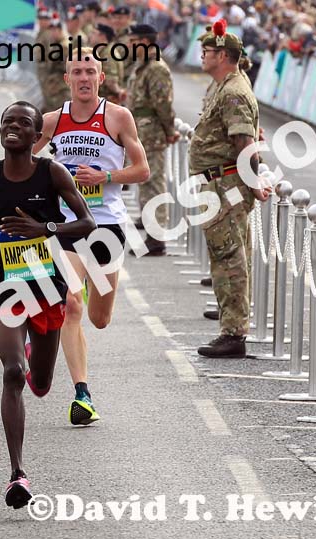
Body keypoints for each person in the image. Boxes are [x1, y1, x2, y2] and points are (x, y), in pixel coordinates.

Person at [0, 101, 96, 508]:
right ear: (0, 130)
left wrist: (44, 227)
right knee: (13, 373)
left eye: (23, 123)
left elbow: (86, 222)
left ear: (34, 135)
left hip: (46, 286)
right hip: (4, 284)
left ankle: (35, 358)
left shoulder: (52, 173)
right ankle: (17, 474)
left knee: (40, 384)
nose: (13, 127)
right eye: (7, 121)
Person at [33, 49, 149, 425]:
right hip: (68, 225)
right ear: (67, 79)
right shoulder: (53, 121)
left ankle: (54, 328)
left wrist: (106, 177)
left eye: (90, 72)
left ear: (101, 78)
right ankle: (82, 394)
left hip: (108, 227)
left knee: (99, 318)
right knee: (71, 303)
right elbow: (22, 159)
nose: (84, 78)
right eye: (77, 72)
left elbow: (143, 169)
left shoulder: (117, 116)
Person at [189, 20, 270, 358]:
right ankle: (230, 322)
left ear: (222, 55)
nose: (202, 56)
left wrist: (255, 183)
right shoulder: (227, 86)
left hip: (227, 184)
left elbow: (244, 143)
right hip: (219, 181)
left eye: (206, 51)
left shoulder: (234, 90)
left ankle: (234, 333)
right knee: (227, 255)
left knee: (230, 258)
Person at [125, 24, 178, 256]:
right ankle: (150, 232)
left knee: (154, 185)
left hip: (152, 132)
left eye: (132, 41)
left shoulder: (156, 68)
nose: (129, 46)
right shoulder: (143, 67)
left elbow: (163, 104)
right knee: (145, 185)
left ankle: (157, 239)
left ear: (144, 43)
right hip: (141, 132)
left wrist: (169, 130)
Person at [89, 23, 125, 104]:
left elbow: (111, 81)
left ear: (102, 36)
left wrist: (118, 92)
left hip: (108, 101)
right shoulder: (102, 52)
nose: (90, 36)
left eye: (94, 33)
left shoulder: (108, 54)